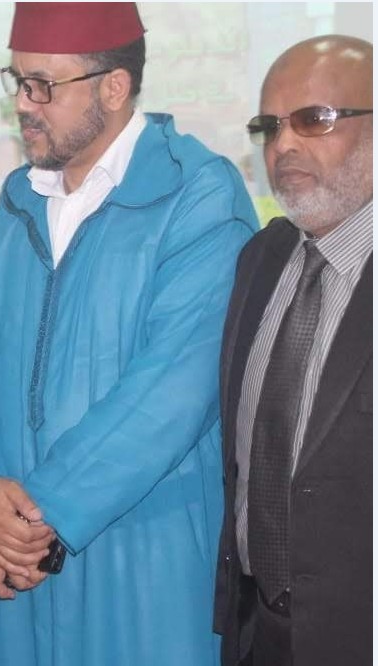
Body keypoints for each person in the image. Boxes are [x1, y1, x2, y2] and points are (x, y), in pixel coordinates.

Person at [0, 4, 257, 664]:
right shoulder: (20, 199)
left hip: (146, 547)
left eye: (43, 85)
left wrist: (38, 514)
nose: (23, 104)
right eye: (18, 80)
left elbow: (175, 388)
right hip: (22, 554)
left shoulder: (197, 194)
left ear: (113, 87)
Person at [214, 35, 372, 666]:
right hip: (259, 631)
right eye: (270, 126)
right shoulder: (262, 256)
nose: (283, 145)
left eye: (314, 119)